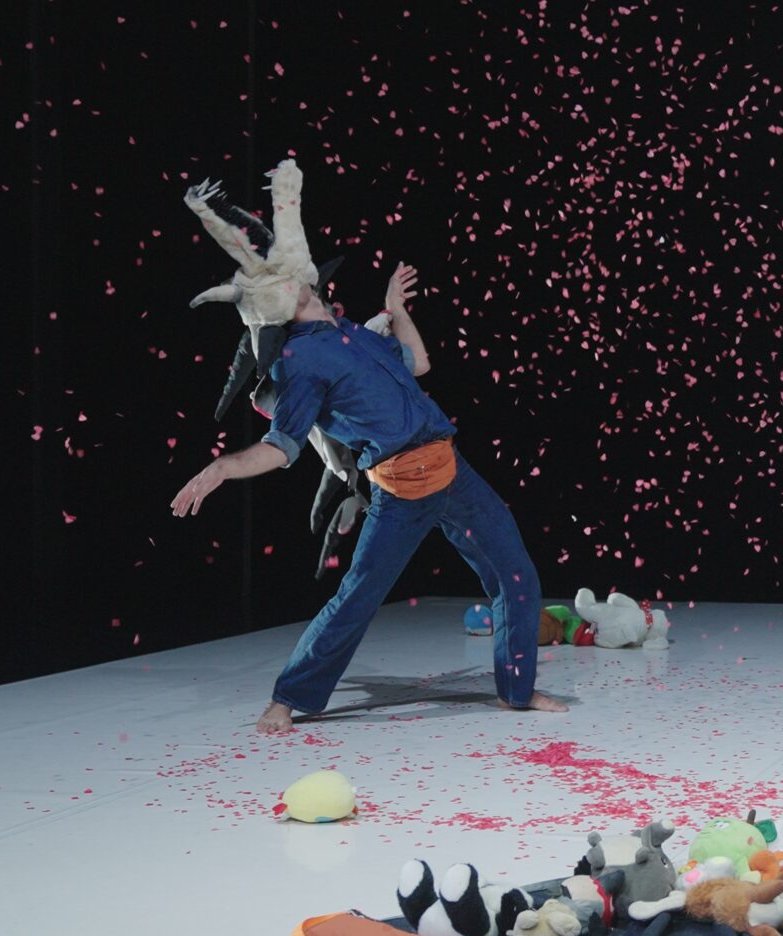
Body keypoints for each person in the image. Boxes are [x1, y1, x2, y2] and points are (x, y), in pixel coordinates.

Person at [171, 264, 564, 732]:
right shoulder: (297, 359)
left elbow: (418, 362)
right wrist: (224, 466)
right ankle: (288, 698)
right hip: (403, 491)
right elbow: (282, 445)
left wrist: (396, 310)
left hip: (453, 473)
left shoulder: (350, 330)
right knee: (356, 597)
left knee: (515, 572)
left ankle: (517, 693)